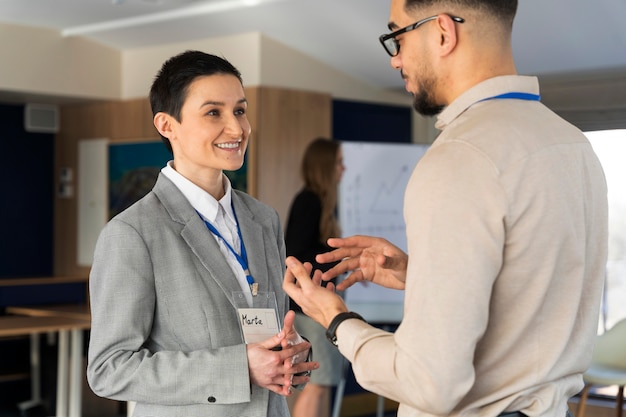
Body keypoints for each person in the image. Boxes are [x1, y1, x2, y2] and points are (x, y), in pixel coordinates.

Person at [283, 1, 608, 417]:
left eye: (396, 37)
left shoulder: (461, 158)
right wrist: (420, 274)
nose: (395, 59)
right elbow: (533, 291)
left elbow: (430, 383)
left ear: (442, 32)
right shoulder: (574, 145)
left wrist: (336, 319)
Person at [86, 50, 317, 417]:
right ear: (167, 125)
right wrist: (240, 367)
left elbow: (266, 329)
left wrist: (292, 351)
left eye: (240, 110)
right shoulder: (132, 233)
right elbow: (109, 369)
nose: (237, 129)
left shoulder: (263, 219)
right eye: (214, 113)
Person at [284, 138, 346, 417]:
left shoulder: (318, 201)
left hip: (313, 308)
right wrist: (338, 259)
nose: (342, 169)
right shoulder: (309, 201)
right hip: (309, 309)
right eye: (338, 163)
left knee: (323, 383)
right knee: (318, 382)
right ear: (325, 166)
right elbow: (296, 253)